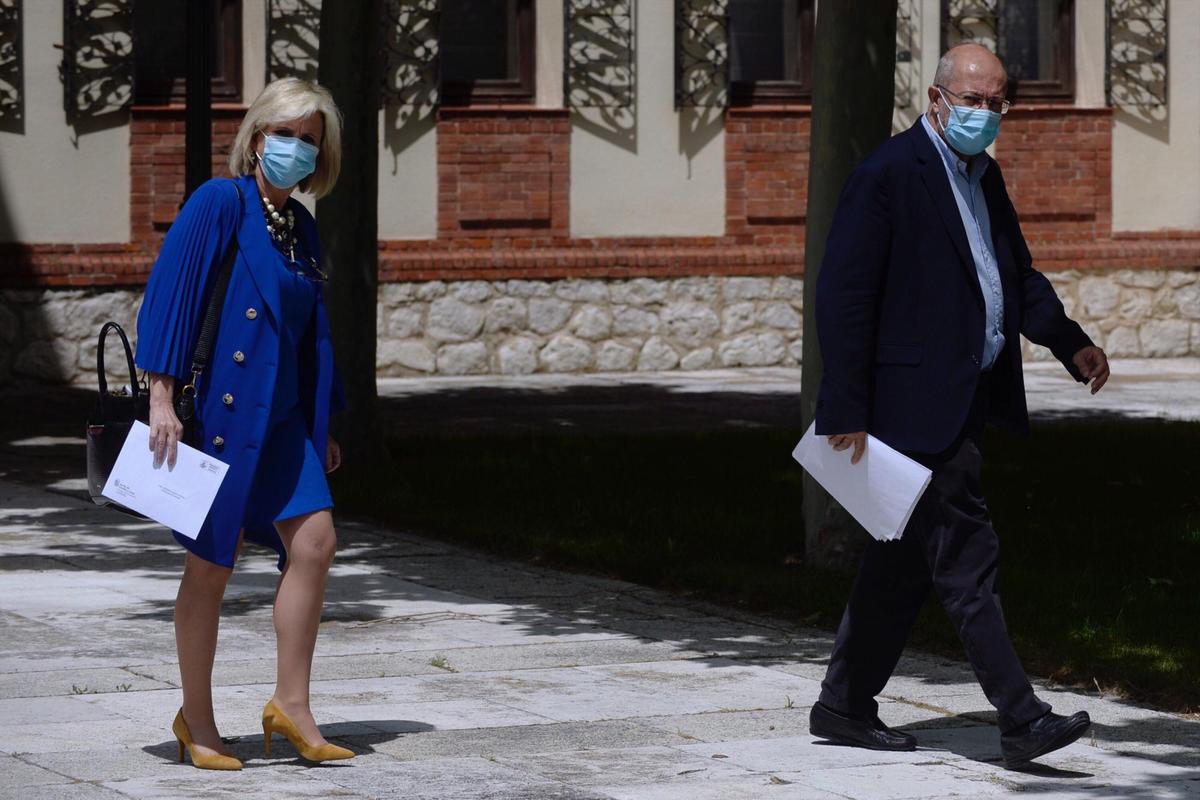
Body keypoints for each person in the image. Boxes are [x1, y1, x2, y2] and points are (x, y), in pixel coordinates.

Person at [808, 43, 1110, 768]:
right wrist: (846, 405)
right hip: (908, 408)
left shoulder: (984, 174)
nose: (983, 113)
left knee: (904, 563)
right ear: (937, 98)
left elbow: (1013, 273)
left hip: (963, 396)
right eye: (971, 99)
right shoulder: (888, 173)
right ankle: (1020, 718)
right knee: (968, 556)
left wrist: (1069, 342)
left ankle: (842, 705)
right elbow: (843, 296)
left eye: (996, 101)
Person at [135, 78, 352, 770]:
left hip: (284, 419)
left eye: (308, 139)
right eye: (282, 133)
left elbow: (311, 334)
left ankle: (292, 704)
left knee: (314, 542)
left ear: (321, 156)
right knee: (210, 566)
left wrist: (327, 421)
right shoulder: (219, 203)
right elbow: (172, 294)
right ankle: (195, 717)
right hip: (221, 415)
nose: (294, 147)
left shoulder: (302, 228)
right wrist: (160, 397)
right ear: (256, 138)